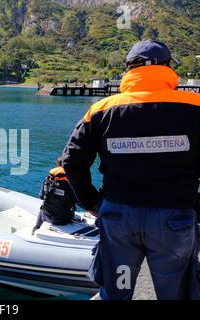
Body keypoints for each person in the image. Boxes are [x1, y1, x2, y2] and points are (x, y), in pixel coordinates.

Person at [62, 39, 200, 300]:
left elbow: (71, 161)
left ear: (129, 69)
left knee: (118, 288)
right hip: (174, 220)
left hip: (119, 220)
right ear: (168, 66)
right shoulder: (194, 107)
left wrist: (91, 201)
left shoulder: (102, 110)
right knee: (176, 292)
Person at [32, 157, 77, 235]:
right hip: (62, 220)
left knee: (44, 205)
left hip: (46, 216)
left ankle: (37, 226)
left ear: (57, 165)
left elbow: (41, 196)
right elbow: (77, 200)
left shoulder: (47, 180)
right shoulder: (69, 184)